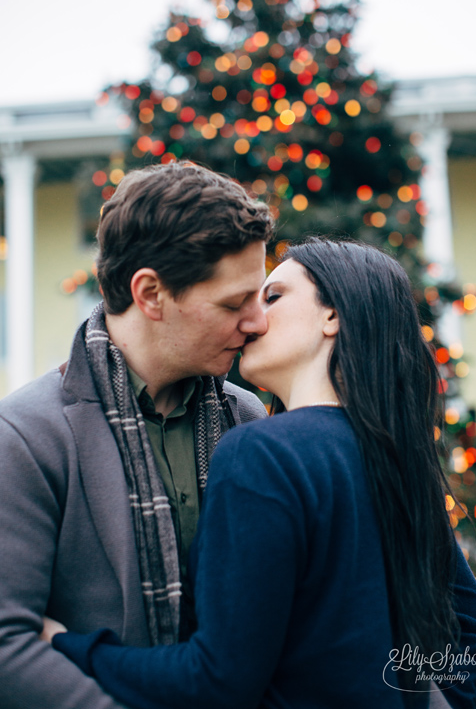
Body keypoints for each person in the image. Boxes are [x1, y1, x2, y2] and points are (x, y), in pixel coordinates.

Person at [44, 238, 476, 708]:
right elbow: (472, 652)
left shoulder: (260, 453)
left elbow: (216, 680)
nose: (252, 319)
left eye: (273, 296)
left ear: (332, 315)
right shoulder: (395, 459)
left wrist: (72, 647)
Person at [0, 162, 273, 709]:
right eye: (232, 303)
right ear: (149, 292)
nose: (257, 321)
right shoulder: (26, 435)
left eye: (259, 296)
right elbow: (7, 644)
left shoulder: (249, 418)